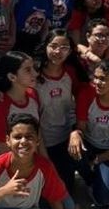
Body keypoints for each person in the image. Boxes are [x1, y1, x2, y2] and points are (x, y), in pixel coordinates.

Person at [69, 60, 109, 209]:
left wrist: (99, 159)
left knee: (104, 200)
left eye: (103, 79)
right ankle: (90, 178)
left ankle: (99, 177)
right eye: (95, 77)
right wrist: (75, 134)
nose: (97, 82)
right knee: (73, 147)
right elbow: (81, 128)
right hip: (89, 145)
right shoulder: (87, 93)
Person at [33, 30, 86, 195]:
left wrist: (77, 130)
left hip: (66, 138)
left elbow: (84, 95)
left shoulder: (71, 71)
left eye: (64, 47)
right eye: (53, 46)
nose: (58, 51)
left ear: (70, 51)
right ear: (45, 47)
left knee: (66, 189)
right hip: (41, 142)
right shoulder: (33, 72)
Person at [0, 51, 42, 157]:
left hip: (32, 163)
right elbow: (0, 145)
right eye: (28, 70)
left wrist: (46, 163)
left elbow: (38, 134)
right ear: (12, 77)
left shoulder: (33, 95)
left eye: (33, 68)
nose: (35, 73)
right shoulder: (0, 104)